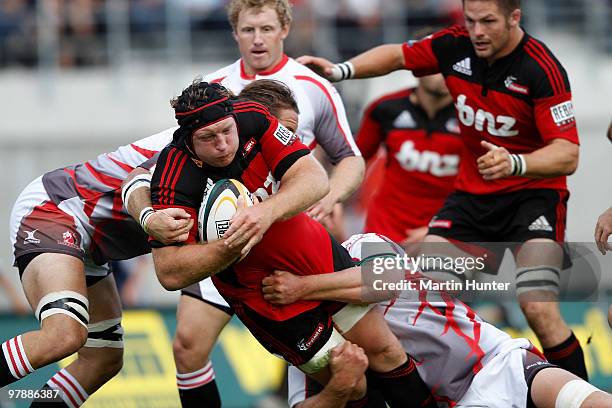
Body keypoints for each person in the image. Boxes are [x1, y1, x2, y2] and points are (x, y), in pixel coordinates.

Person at [299, 0, 587, 380]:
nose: (478, 31)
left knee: (538, 309)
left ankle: (579, 395)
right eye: (471, 21)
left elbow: (568, 154)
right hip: (471, 199)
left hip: (534, 199)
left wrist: (517, 163)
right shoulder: (455, 45)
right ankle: (453, 386)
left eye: (488, 22)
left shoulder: (541, 68)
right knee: (426, 298)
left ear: (514, 17)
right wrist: (340, 70)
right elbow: (398, 56)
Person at [126, 1, 364, 405]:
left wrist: (329, 198)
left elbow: (349, 158)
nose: (258, 39)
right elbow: (149, 170)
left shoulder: (313, 87)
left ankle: (299, 391)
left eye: (267, 29)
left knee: (350, 356)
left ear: (284, 30)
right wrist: (147, 213)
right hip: (226, 241)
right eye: (249, 29)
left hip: (291, 235)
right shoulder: (211, 91)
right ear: (235, 32)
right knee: (186, 345)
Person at [148, 79, 436, 408]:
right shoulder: (173, 176)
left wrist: (263, 214)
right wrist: (232, 244)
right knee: (350, 384)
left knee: (386, 351)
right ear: (188, 137)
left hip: (312, 252)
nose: (224, 145)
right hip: (262, 293)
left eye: (227, 131)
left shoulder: (254, 116)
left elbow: (315, 179)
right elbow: (169, 273)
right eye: (208, 138)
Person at [260, 233, 612, 408]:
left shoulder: (362, 244)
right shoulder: (310, 331)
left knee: (587, 400)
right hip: (451, 402)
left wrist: (303, 287)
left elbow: (388, 281)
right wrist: (338, 388)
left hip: (496, 360)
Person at [356, 70, 461, 247]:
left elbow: (485, 186)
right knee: (369, 274)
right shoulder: (384, 108)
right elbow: (353, 159)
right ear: (417, 68)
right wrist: (334, 199)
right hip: (385, 228)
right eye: (439, 65)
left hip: (448, 230)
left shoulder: (475, 117)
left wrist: (441, 229)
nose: (446, 72)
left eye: (452, 65)